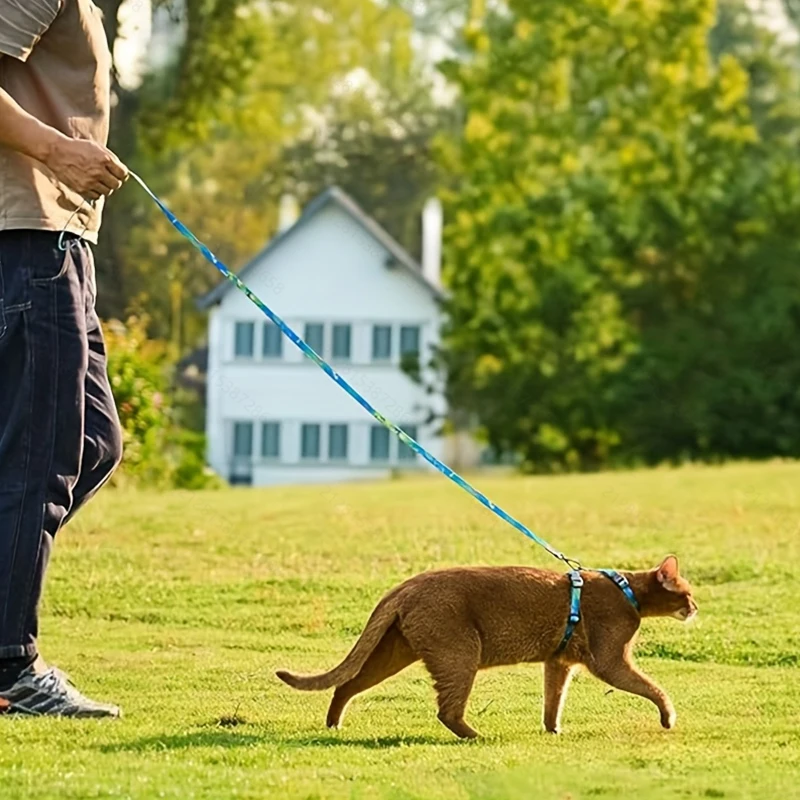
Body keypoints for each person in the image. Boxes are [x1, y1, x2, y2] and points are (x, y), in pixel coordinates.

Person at [0, 0, 129, 716]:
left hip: (59, 241)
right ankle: (9, 667)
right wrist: (57, 151)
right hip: (27, 239)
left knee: (93, 440)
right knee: (38, 459)